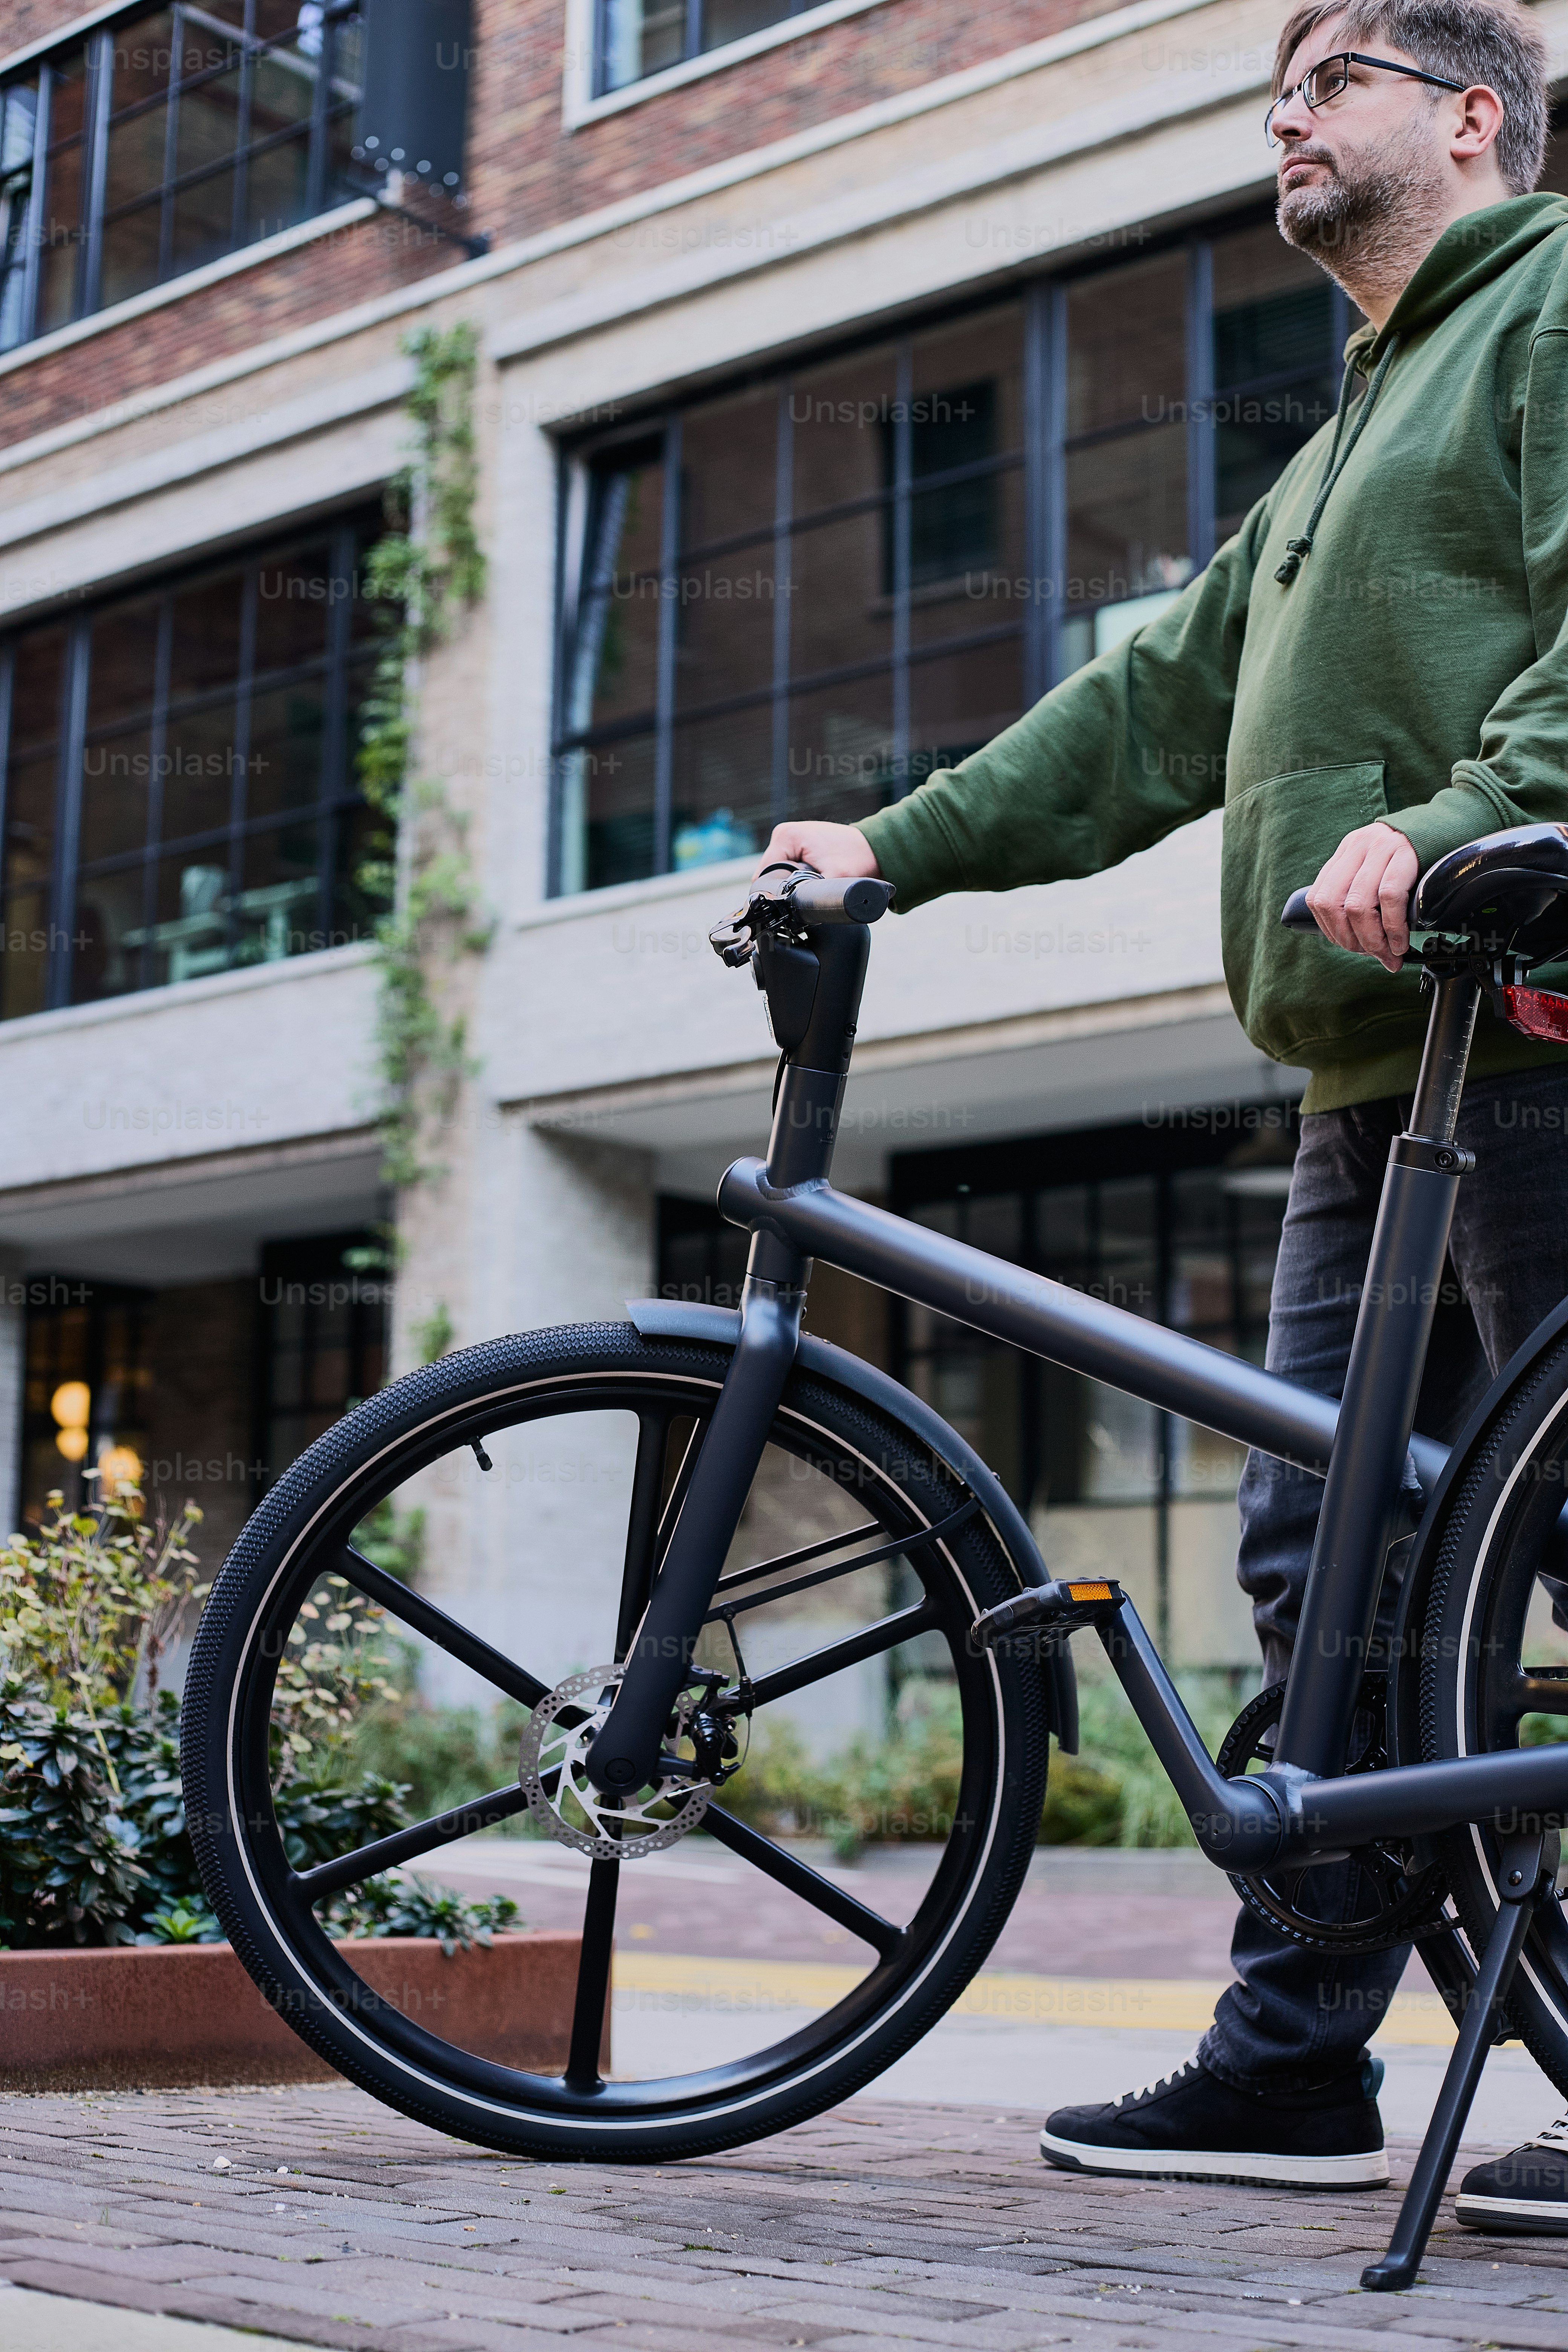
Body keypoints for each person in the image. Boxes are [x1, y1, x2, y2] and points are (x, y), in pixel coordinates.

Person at [757, 0, 1568, 2231]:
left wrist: (1484, 812)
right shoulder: (1342, 440)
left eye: (1336, 78)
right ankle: (1295, 2063)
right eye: (1274, 86)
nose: (1286, 114)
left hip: (1543, 1035)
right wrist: (890, 845)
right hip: (1371, 1074)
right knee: (1336, 1574)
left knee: (1545, 1547)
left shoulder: (1557, 309)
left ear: (1472, 113)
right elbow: (1148, 706)